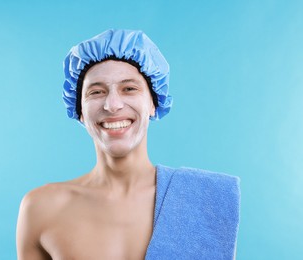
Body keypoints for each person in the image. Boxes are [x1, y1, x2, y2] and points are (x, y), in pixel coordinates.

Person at [16, 29, 240, 260]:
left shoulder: (205, 200)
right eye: (96, 91)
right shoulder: (41, 208)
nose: (112, 105)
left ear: (153, 104)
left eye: (129, 89)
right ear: (79, 111)